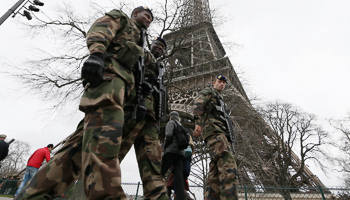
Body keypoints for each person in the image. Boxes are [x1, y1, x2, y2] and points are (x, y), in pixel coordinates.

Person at [14, 6, 155, 200]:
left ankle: (34, 194)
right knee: (105, 143)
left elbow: (146, 62)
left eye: (151, 19)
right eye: (146, 15)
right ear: (135, 14)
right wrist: (96, 55)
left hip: (122, 93)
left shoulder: (140, 41)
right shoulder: (123, 20)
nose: (148, 20)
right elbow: (102, 28)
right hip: (109, 84)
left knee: (77, 150)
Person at [118, 37, 168, 199]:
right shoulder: (142, 55)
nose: (160, 48)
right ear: (151, 44)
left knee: (154, 163)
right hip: (134, 109)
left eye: (163, 47)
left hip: (151, 118)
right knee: (112, 153)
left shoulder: (160, 67)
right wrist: (138, 96)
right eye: (157, 45)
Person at [193, 74, 238, 200]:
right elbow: (198, 103)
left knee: (215, 172)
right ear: (214, 82)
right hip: (214, 131)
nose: (222, 84)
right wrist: (198, 124)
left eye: (224, 82)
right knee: (228, 164)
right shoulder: (209, 92)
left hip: (219, 132)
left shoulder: (220, 99)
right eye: (219, 81)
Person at [161, 111, 186, 200]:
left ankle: (157, 193)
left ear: (170, 117)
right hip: (180, 153)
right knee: (179, 178)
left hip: (171, 150)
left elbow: (168, 134)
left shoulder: (170, 123)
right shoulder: (181, 125)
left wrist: (165, 146)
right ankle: (180, 198)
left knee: (160, 171)